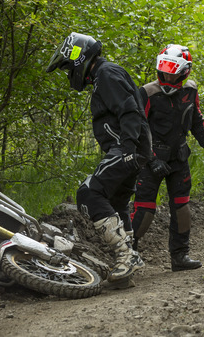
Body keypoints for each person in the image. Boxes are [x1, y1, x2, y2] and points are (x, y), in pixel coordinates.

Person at [46, 32, 152, 283]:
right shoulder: (104, 74)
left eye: (67, 68)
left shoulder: (106, 74)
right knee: (115, 202)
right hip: (133, 147)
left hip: (127, 147)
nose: (68, 73)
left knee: (89, 193)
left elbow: (129, 110)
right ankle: (131, 258)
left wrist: (127, 148)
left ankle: (125, 256)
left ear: (78, 57)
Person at [131, 44, 204, 272]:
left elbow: (197, 122)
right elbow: (137, 130)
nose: (168, 75)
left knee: (182, 208)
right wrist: (151, 160)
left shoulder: (190, 91)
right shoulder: (147, 92)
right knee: (144, 211)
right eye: (165, 70)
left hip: (179, 158)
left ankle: (180, 256)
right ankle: (126, 254)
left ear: (184, 71)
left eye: (173, 71)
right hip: (151, 159)